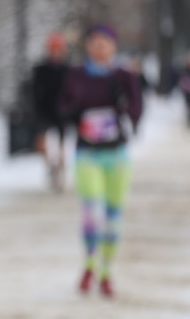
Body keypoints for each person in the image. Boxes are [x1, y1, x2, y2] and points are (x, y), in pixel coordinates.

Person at [57, 22, 142, 298]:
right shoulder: (76, 75)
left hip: (116, 154)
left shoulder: (124, 76)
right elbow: (63, 107)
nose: (99, 47)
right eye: (94, 42)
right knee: (91, 211)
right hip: (88, 153)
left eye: (105, 42)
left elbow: (137, 108)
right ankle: (89, 265)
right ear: (88, 46)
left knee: (114, 216)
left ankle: (107, 273)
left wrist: (125, 107)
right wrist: (76, 111)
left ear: (114, 46)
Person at [31, 31, 71, 191]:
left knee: (61, 144)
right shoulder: (40, 69)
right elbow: (34, 91)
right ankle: (51, 165)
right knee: (40, 142)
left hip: (62, 111)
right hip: (44, 110)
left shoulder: (67, 69)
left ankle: (60, 170)